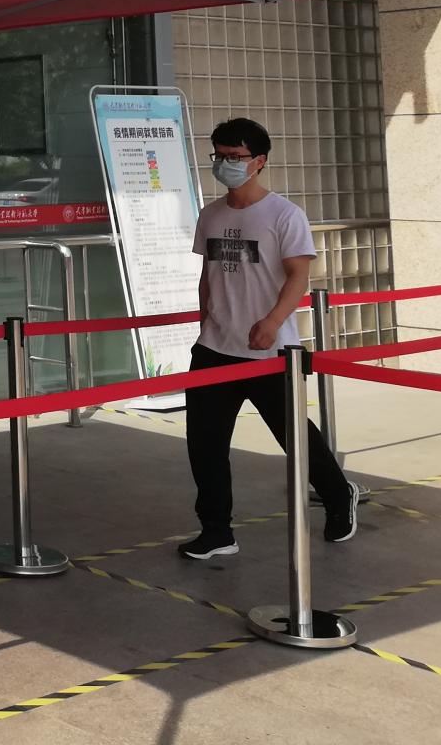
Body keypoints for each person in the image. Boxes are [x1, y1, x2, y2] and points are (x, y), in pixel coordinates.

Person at [178, 117, 359, 560]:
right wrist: (205, 321)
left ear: (259, 161)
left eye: (235, 156)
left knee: (294, 437)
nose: (225, 163)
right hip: (214, 348)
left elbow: (299, 275)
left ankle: (339, 496)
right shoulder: (210, 214)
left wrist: (273, 321)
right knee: (204, 444)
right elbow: (209, 275)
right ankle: (217, 531)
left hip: (271, 351)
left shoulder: (284, 215)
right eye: (219, 155)